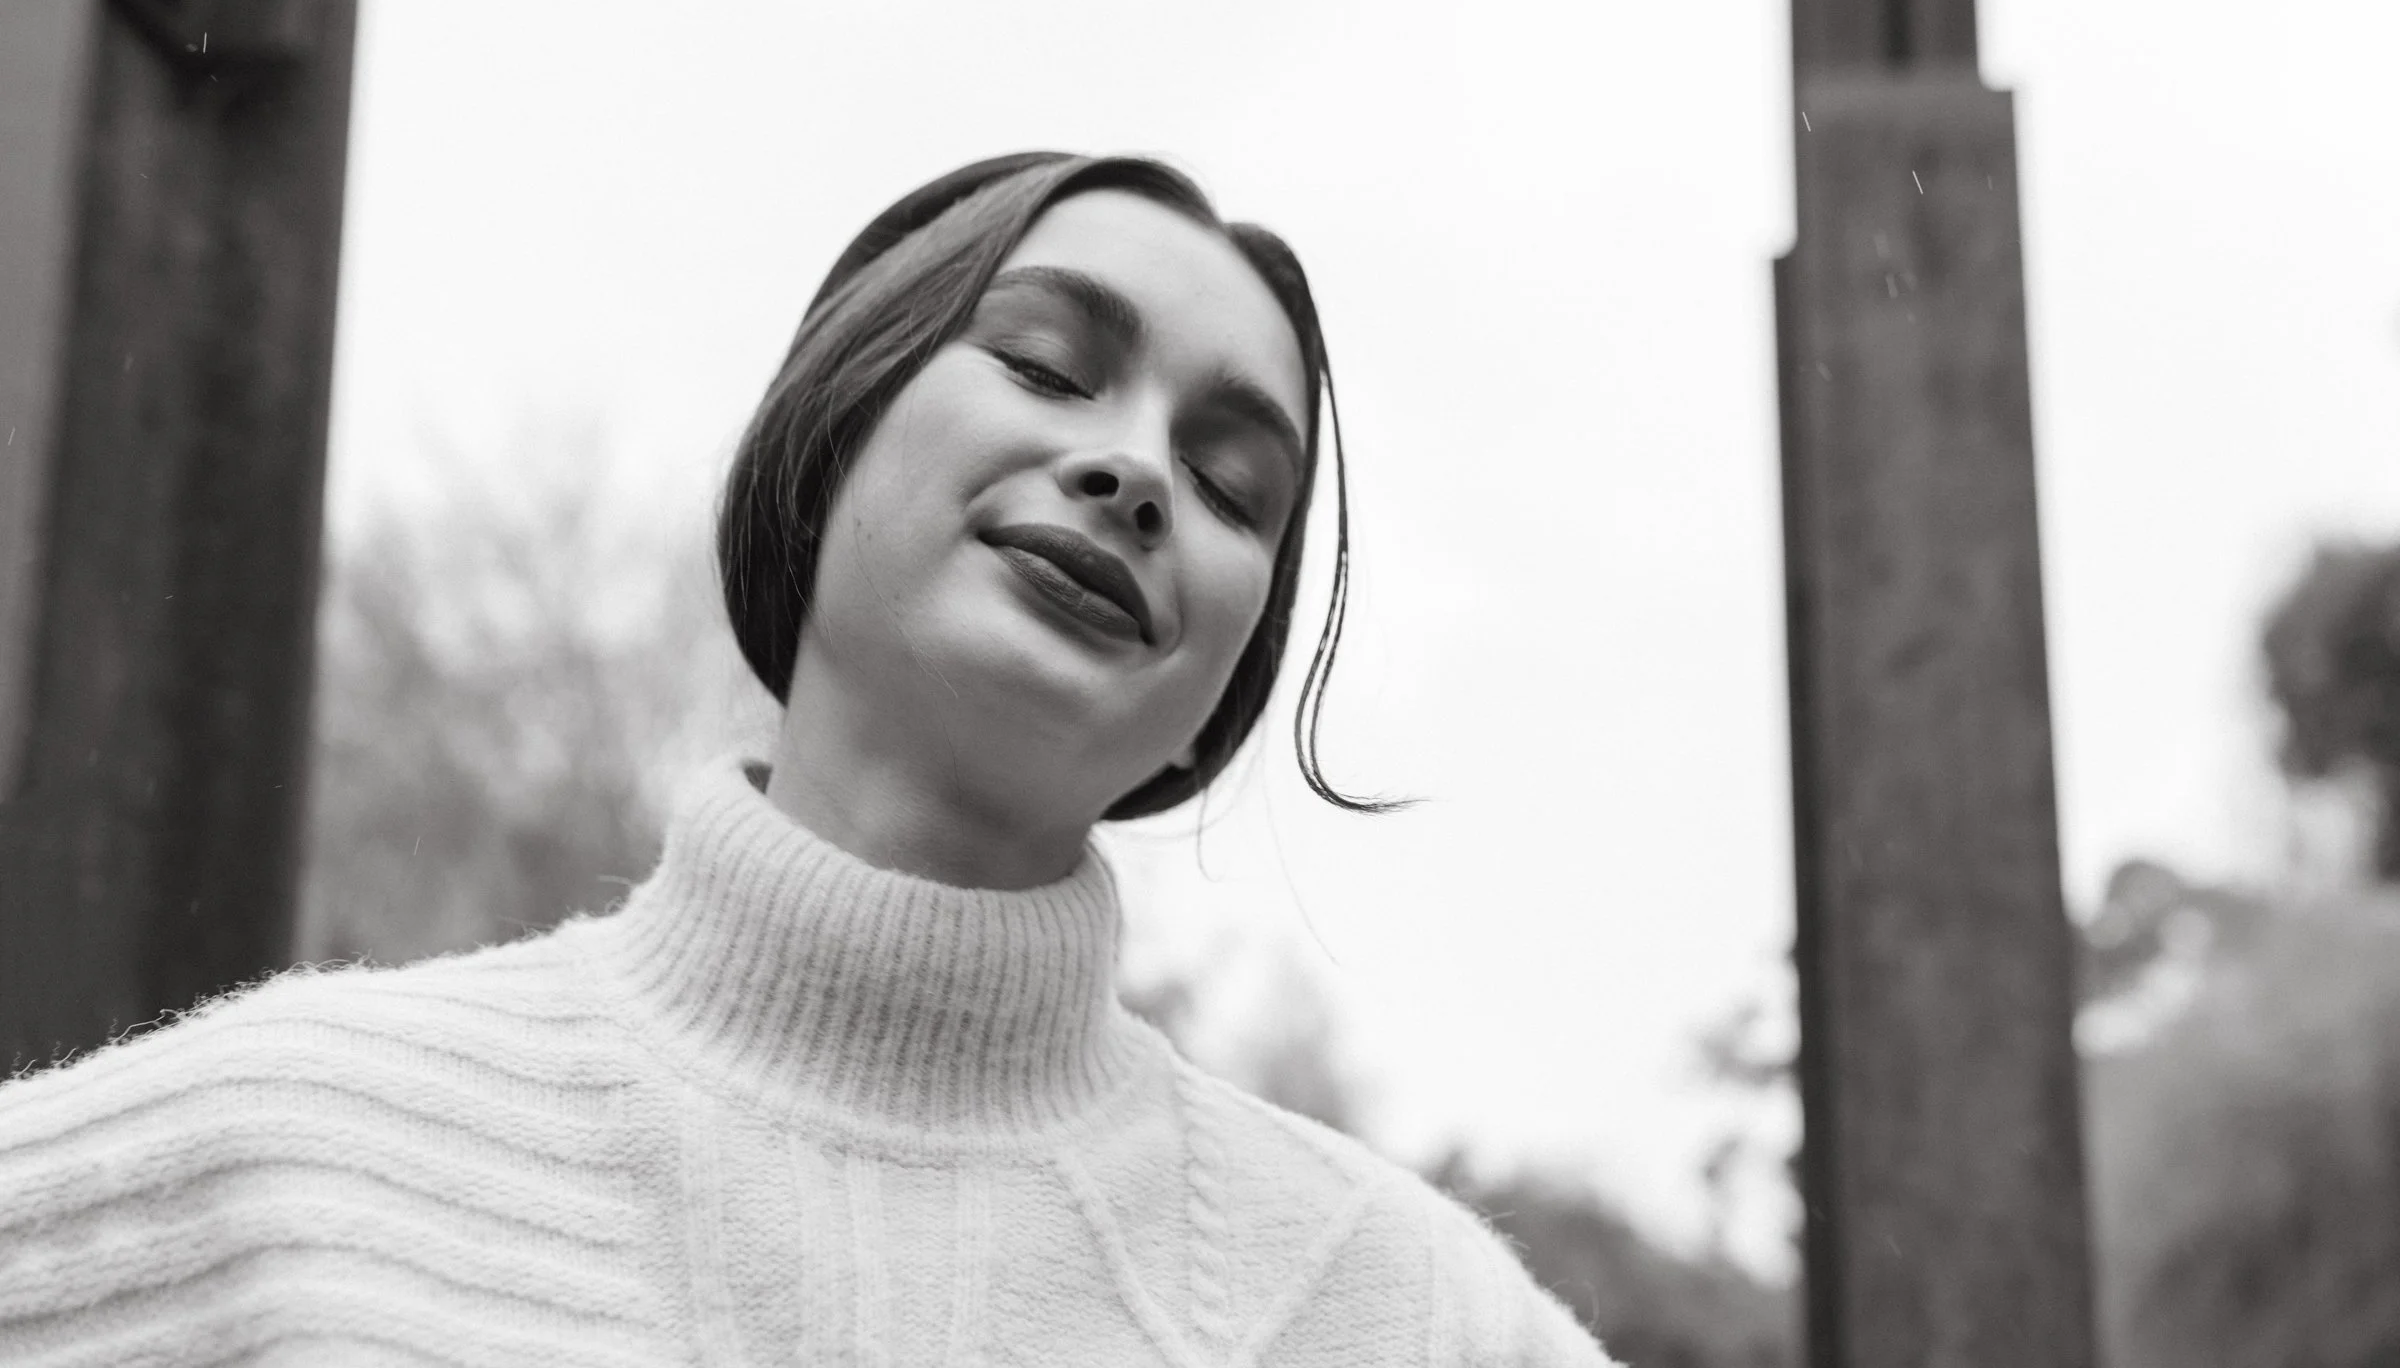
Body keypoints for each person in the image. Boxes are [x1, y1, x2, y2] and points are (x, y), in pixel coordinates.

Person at [0, 153, 1616, 1365]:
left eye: (1232, 483)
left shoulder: (1405, 1315)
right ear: (829, 433)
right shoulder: (288, 1156)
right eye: (1048, 365)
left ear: (1221, 689)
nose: (1133, 470)